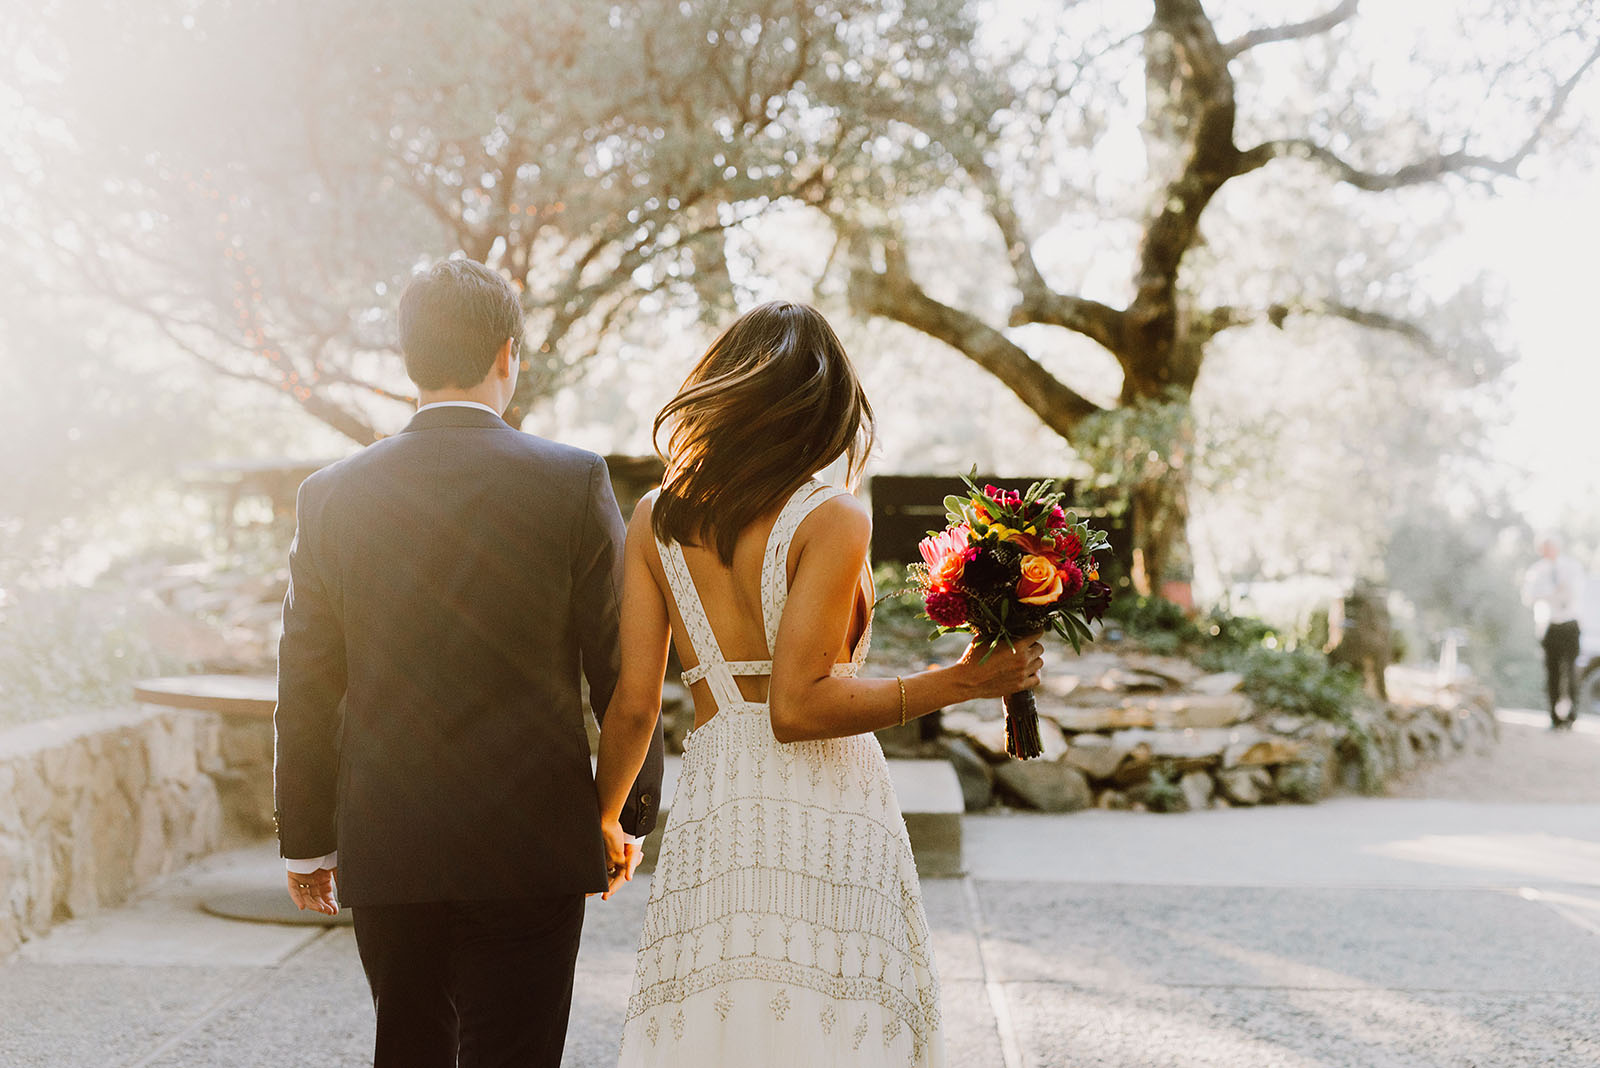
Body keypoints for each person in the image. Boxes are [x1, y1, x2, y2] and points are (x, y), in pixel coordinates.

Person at [590, 301, 1043, 1067]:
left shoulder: (656, 516)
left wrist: (603, 819)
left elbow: (634, 703)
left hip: (719, 803)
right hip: (828, 806)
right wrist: (965, 682)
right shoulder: (833, 517)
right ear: (827, 409)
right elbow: (798, 708)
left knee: (722, 1022)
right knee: (833, 1024)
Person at [273, 258, 665, 1068]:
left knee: (409, 1047)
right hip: (534, 841)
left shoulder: (332, 495)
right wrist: (623, 811)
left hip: (392, 835)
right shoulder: (572, 479)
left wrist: (307, 839)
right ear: (507, 355)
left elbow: (307, 683)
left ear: (409, 361)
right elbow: (621, 666)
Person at [1522, 534, 1586, 729]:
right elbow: (1528, 597)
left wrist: (1564, 591)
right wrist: (1550, 593)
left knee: (1571, 671)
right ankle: (1553, 716)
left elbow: (1579, 590)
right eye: (1544, 547)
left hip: (1570, 623)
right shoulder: (1536, 571)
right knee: (1552, 672)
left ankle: (1572, 714)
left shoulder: (1572, 567)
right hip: (1549, 625)